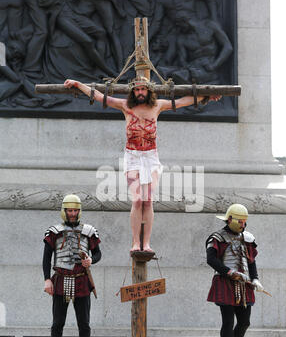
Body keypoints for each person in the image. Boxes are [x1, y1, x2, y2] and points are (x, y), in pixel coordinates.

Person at [64, 77, 221, 254]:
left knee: (148, 200)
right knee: (137, 200)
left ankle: (146, 243)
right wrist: (78, 84)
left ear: (149, 91)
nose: (140, 93)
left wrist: (205, 96)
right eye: (137, 90)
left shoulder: (158, 105)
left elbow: (182, 101)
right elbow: (101, 97)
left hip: (151, 157)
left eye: (143, 90)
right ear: (133, 91)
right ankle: (135, 243)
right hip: (132, 157)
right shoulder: (125, 106)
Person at [43, 194, 101, 337]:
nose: (73, 213)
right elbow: (46, 258)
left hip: (81, 281)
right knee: (57, 323)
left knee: (84, 323)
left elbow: (98, 253)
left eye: (75, 210)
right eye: (70, 210)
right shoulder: (54, 231)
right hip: (60, 280)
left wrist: (91, 260)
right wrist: (47, 280)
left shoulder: (89, 231)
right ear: (64, 211)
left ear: (79, 211)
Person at [206, 204, 264, 337]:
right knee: (228, 320)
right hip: (225, 282)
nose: (242, 225)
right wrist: (229, 272)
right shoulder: (217, 237)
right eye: (240, 221)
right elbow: (211, 259)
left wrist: (255, 279)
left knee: (245, 322)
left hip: (245, 284)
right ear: (230, 219)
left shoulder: (248, 238)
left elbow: (251, 261)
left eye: (245, 221)